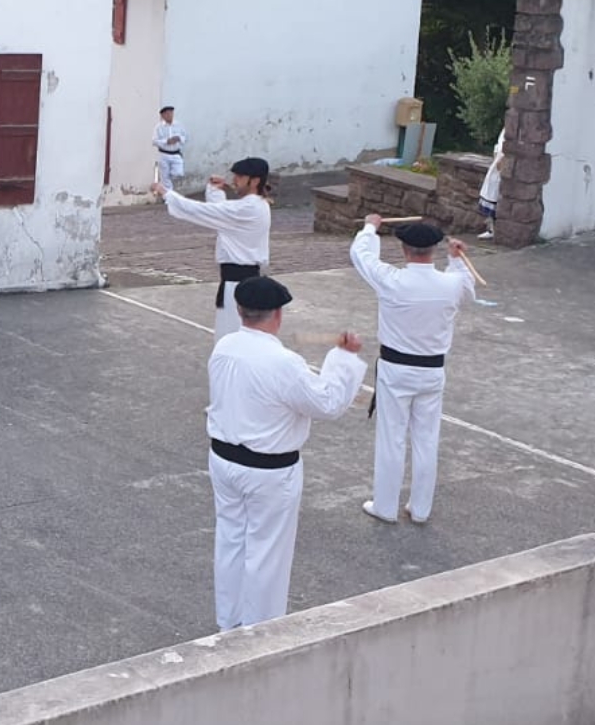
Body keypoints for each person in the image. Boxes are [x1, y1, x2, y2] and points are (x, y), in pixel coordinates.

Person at [206, 276, 367, 631]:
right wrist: (343, 357)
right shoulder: (283, 362)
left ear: (239, 310)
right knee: (267, 553)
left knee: (231, 541)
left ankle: (228, 624)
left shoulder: (224, 346)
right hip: (269, 471)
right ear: (278, 314)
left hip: (223, 460)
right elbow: (327, 403)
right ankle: (260, 633)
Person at [350, 217, 475, 524]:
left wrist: (370, 228)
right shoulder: (451, 283)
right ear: (433, 249)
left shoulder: (392, 279)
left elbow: (360, 255)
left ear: (404, 249)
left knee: (392, 438)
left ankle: (385, 506)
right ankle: (420, 509)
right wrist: (456, 259)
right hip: (432, 371)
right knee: (426, 439)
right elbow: (468, 290)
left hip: (396, 369)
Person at [151, 157, 272, 340]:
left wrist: (166, 193)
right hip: (238, 281)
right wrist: (215, 190)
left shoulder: (247, 208)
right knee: (234, 336)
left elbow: (203, 211)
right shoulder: (255, 205)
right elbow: (220, 212)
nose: (235, 180)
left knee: (231, 339)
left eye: (240, 177)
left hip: (238, 284)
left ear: (254, 181)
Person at [477, 128, 506, 240]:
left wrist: (502, 160)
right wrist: (496, 155)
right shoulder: (505, 129)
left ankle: (495, 230)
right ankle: (491, 229)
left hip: (502, 167)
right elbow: (499, 145)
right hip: (497, 165)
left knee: (495, 198)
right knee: (490, 196)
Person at [153, 106, 189, 191]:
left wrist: (179, 138)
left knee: (178, 173)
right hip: (164, 154)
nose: (169, 115)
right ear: (162, 116)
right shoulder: (158, 127)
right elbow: (154, 141)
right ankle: (169, 195)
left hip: (176, 153)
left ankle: (166, 186)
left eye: (171, 113)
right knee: (165, 178)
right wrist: (166, 141)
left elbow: (186, 137)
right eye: (167, 114)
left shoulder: (179, 125)